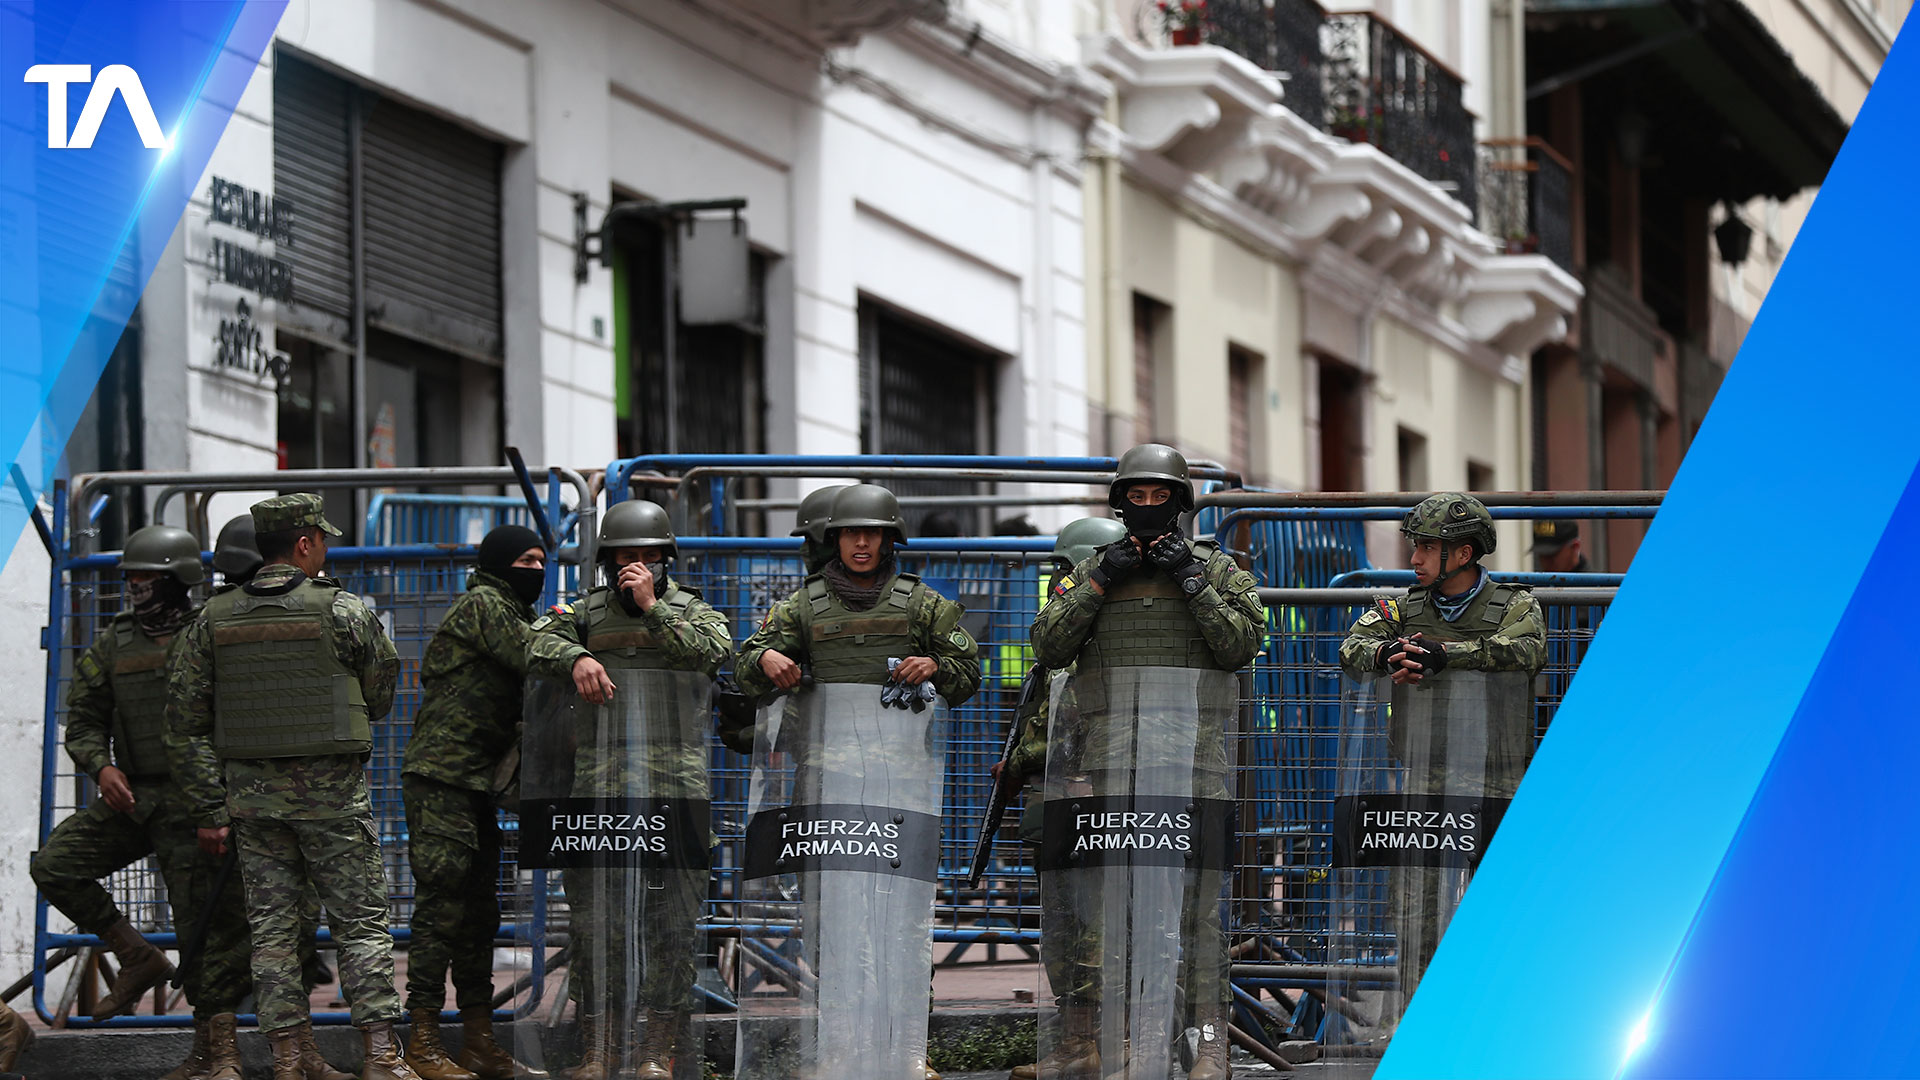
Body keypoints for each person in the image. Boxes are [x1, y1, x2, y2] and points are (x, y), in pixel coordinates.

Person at [1029, 445, 1263, 1080]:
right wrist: (1101, 579)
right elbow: (1049, 645)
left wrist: (1191, 582)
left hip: (1196, 767)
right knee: (1114, 913)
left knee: (1199, 913)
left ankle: (1208, 1042)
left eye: (1162, 496)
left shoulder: (1216, 569)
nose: (1150, 506)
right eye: (1139, 495)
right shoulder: (1092, 571)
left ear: (1181, 502)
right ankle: (1119, 1040)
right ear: (1120, 500)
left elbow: (1244, 643)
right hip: (1112, 768)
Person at [732, 483, 981, 1080]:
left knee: (901, 919)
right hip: (824, 787)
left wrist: (938, 666)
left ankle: (905, 1051)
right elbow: (747, 662)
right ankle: (841, 1046)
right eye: (850, 533)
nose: (862, 542)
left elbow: (969, 671)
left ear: (890, 539)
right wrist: (765, 659)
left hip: (900, 788)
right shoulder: (803, 606)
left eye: (872, 533)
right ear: (833, 539)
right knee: (827, 922)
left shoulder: (923, 605)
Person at [167, 493, 418, 1080]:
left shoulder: (213, 617)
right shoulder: (343, 611)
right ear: (304, 543)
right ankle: (381, 1057)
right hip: (332, 800)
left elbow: (184, 715)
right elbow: (380, 695)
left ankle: (287, 1062)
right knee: (359, 924)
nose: (325, 548)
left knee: (273, 933)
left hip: (253, 805)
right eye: (322, 538)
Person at [29, 525, 256, 1080]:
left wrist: (218, 807)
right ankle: (135, 955)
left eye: (146, 577)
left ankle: (216, 1054)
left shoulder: (211, 632)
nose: (134, 586)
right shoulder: (115, 641)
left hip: (196, 798)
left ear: (178, 579)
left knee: (205, 928)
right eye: (130, 576)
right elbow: (82, 720)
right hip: (135, 797)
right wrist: (100, 765)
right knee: (55, 865)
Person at [526, 500, 732, 1080]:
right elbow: (531, 644)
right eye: (624, 557)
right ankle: (599, 1050)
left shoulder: (692, 611)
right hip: (600, 792)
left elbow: (713, 654)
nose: (634, 566)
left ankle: (654, 1053)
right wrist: (575, 656)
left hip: (676, 791)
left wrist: (652, 609)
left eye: (646, 557)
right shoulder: (584, 613)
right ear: (606, 559)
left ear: (665, 559)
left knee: (672, 925)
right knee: (597, 927)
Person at [1336, 493, 1546, 1022]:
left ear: (1464, 553)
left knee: (1498, 906)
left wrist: (1445, 655)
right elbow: (1352, 650)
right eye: (1415, 546)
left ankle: (1502, 1021)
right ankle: (1420, 1024)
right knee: (1416, 912)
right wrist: (1390, 653)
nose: (1415, 559)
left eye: (1428, 548)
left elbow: (1525, 650)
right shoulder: (1401, 608)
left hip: (1497, 778)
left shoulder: (1514, 604)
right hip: (1424, 774)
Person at [399, 525, 550, 1080]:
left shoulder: (510, 608)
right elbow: (537, 656)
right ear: (500, 564)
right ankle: (421, 1039)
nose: (535, 569)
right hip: (442, 778)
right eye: (526, 560)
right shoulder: (485, 604)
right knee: (442, 910)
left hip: (476, 784)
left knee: (480, 913)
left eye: (541, 560)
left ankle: (478, 1039)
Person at [991, 516, 1127, 1080]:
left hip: (1096, 803)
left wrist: (1022, 757)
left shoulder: (1111, 639)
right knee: (1061, 934)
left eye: (1065, 571)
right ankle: (1076, 1045)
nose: (1057, 584)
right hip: (1056, 807)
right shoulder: (1060, 640)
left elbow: (1066, 724)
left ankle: (1108, 1045)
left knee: (1098, 934)